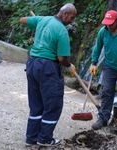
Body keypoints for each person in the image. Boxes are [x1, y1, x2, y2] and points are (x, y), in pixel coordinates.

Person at [19, 3, 77, 146]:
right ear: (64, 14)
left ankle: (31, 138)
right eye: (72, 17)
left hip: (32, 64)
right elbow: (62, 58)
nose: (72, 21)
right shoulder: (62, 31)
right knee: (53, 104)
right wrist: (69, 66)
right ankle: (44, 139)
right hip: (47, 68)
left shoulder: (42, 20)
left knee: (36, 104)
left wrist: (38, 24)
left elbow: (22, 20)